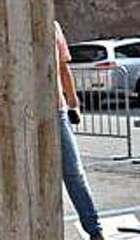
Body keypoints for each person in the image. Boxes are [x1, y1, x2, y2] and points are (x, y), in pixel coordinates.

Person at [56, 20, 105, 240]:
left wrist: (74, 103)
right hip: (28, 112)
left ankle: (94, 230)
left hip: (57, 110)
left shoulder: (53, 26)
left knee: (73, 172)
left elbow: (63, 68)